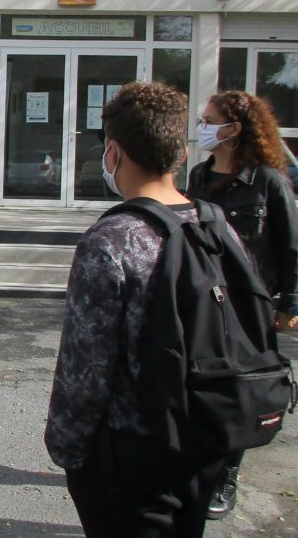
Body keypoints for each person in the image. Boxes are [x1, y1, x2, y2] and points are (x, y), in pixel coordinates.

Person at [45, 82, 228, 537]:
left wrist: (67, 451)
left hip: (133, 455)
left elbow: (86, 366)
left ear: (113, 153)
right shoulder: (216, 225)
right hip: (205, 438)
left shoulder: (113, 241)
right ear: (179, 155)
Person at [186, 89, 298, 520]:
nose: (202, 127)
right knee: (201, 386)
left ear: (235, 129)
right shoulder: (199, 176)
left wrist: (291, 301)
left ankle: (226, 476)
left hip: (250, 306)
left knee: (240, 391)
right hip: (205, 301)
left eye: (210, 119)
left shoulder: (267, 181)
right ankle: (198, 466)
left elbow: (292, 246)